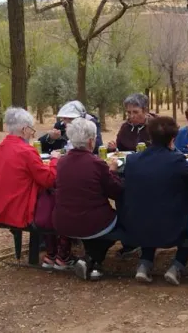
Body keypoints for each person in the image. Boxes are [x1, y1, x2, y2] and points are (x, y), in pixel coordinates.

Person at [121, 116, 188, 285]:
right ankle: (177, 266)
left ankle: (145, 263)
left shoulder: (132, 160)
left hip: (136, 227)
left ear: (150, 136)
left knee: (150, 206)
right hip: (172, 230)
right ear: (173, 139)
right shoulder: (177, 161)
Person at [53, 118, 122, 281]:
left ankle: (91, 261)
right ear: (92, 141)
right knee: (119, 223)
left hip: (63, 222)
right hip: (92, 223)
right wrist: (112, 171)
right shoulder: (97, 163)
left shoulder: (61, 162)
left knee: (89, 219)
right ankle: (91, 259)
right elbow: (116, 192)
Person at [0, 107, 60, 227]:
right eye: (31, 129)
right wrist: (55, 160)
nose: (32, 134)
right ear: (24, 129)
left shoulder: (0, 148)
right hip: (18, 211)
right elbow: (49, 180)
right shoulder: (26, 151)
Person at [38, 100, 103, 154]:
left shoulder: (90, 123)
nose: (67, 122)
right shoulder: (60, 125)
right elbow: (40, 146)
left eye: (71, 118)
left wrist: (76, 136)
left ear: (81, 117)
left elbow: (97, 146)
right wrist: (50, 138)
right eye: (64, 118)